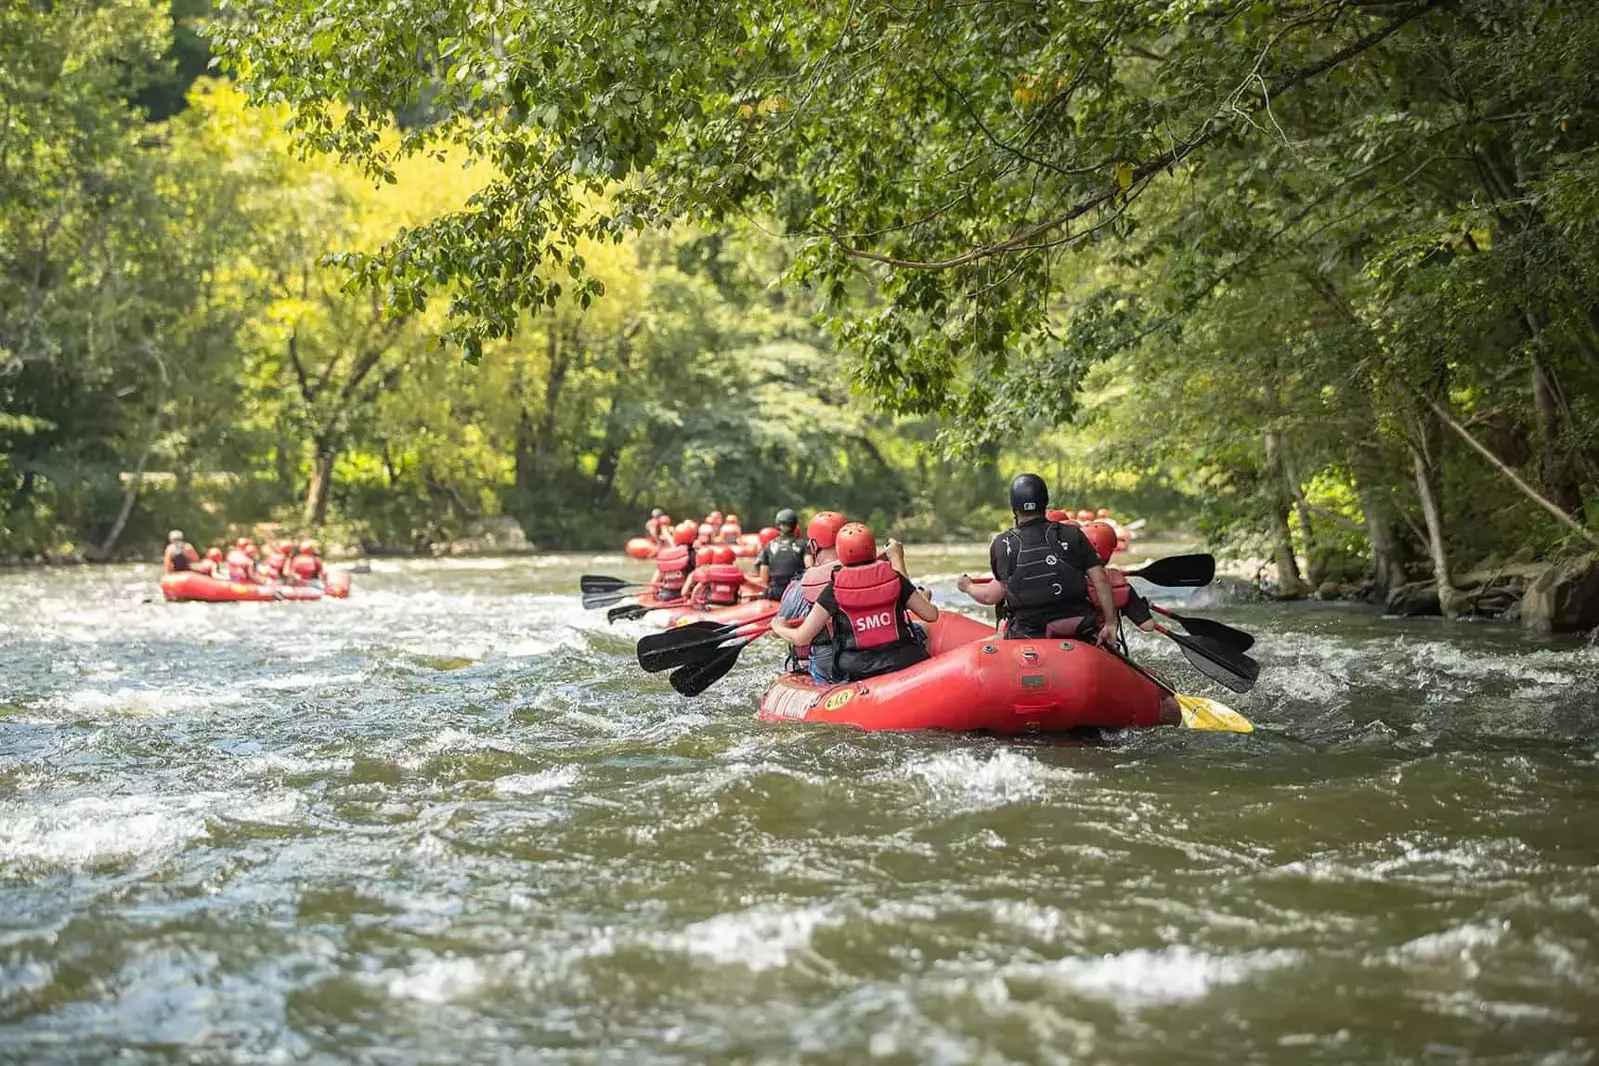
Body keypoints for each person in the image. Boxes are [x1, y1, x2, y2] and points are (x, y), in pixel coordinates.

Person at [957, 473, 1120, 646]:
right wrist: (1111, 623)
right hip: (1078, 627)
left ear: (1014, 507)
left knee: (987, 643)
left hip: (1029, 634)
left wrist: (967, 586)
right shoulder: (1072, 534)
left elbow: (991, 596)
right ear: (1044, 501)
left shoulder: (1002, 543)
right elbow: (1100, 579)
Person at [772, 522, 938, 682]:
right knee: (922, 628)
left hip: (857, 670)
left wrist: (778, 627)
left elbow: (802, 638)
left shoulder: (835, 588)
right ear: (873, 548)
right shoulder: (894, 577)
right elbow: (931, 615)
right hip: (902, 659)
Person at [773, 510, 848, 683]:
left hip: (826, 669)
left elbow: (783, 634)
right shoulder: (870, 572)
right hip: (867, 660)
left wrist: (777, 628)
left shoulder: (800, 587)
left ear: (813, 546)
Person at [1082, 520, 1155, 632]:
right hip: (1102, 644)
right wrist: (1139, 607)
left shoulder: (1065, 575)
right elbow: (1148, 626)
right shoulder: (1118, 583)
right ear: (1111, 551)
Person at [753, 508, 806, 601]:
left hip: (775, 593)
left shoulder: (768, 546)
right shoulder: (803, 545)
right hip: (795, 593)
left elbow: (764, 578)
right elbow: (810, 568)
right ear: (794, 525)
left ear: (778, 525)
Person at [647, 523, 699, 601]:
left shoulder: (665, 555)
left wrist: (653, 594)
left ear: (675, 538)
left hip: (665, 595)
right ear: (692, 538)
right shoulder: (694, 555)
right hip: (684, 596)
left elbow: (654, 582)